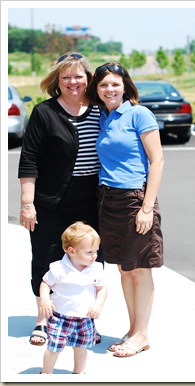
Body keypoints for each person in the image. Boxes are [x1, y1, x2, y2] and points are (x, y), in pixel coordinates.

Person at [18, 52, 103, 346]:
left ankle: (85, 322)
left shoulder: (101, 109)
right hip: (51, 202)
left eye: (79, 75)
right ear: (57, 80)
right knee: (46, 259)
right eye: (66, 76)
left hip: (92, 202)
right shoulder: (44, 112)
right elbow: (29, 159)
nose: (72, 82)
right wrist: (27, 204)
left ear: (88, 78)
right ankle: (43, 321)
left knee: (90, 263)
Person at [87, 62, 164, 357]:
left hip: (135, 198)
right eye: (104, 84)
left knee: (140, 269)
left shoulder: (139, 113)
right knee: (124, 269)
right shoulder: (104, 116)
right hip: (107, 199)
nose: (110, 89)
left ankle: (142, 334)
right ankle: (133, 329)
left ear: (126, 86)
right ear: (98, 89)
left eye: (115, 84)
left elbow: (156, 161)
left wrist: (146, 208)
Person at [38, 221, 107, 374]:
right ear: (71, 251)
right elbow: (45, 283)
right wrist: (44, 298)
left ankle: (78, 373)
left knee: (81, 348)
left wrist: (98, 305)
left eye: (96, 251)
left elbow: (102, 288)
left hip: (85, 317)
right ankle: (46, 373)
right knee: (53, 348)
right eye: (89, 252)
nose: (94, 256)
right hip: (60, 317)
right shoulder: (58, 268)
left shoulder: (96, 268)